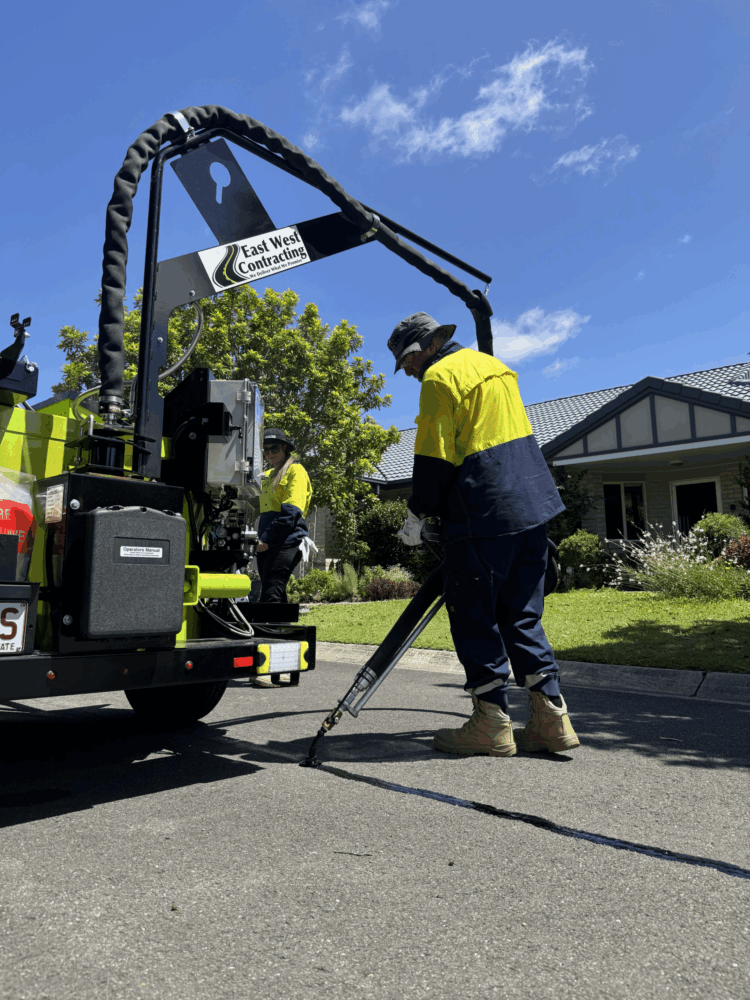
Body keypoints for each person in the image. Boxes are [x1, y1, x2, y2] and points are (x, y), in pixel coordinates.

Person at [389, 311, 580, 757]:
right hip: (532, 505)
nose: (409, 373)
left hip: (482, 511)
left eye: (407, 363)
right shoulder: (498, 368)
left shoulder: (439, 378)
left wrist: (418, 513)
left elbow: (436, 457)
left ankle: (490, 723)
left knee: (476, 616)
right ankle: (551, 718)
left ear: (422, 349)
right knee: (522, 615)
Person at [256, 428, 313, 603]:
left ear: (284, 448)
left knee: (271, 592)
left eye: (274, 449)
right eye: (265, 450)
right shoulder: (269, 475)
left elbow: (291, 513)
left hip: (287, 539)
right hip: (268, 541)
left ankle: (268, 630)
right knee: (273, 592)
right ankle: (281, 629)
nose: (269, 454)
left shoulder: (296, 471)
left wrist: (266, 538)